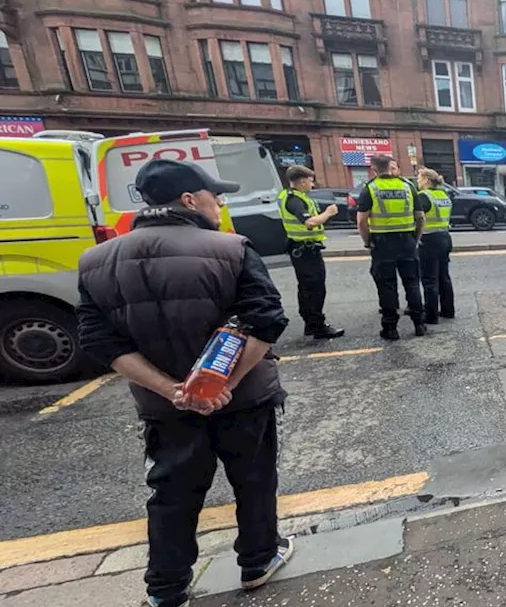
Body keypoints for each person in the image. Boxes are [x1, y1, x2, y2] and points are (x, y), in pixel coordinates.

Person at [75, 159, 293, 607]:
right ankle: (258, 561)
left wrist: (171, 390)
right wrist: (224, 383)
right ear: (190, 200)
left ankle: (167, 589)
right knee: (253, 479)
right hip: (244, 398)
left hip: (164, 407)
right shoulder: (231, 248)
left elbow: (99, 339)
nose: (220, 204)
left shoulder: (96, 260)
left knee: (171, 492)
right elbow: (266, 320)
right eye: (216, 196)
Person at [356, 153, 426, 340]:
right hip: (407, 242)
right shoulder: (408, 186)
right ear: (390, 166)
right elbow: (420, 217)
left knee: (387, 286)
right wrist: (416, 238)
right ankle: (419, 324)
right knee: (412, 283)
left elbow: (362, 221)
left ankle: (391, 328)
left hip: (383, 243)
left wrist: (367, 241)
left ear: (374, 169)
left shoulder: (370, 189)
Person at [278, 165, 344, 339]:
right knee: (314, 289)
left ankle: (311, 323)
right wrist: (328, 213)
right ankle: (317, 326)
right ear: (302, 181)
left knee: (307, 288)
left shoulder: (290, 195)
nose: (312, 184)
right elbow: (310, 222)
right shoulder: (295, 200)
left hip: (303, 248)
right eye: (310, 180)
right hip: (304, 250)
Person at [417, 168, 456, 323]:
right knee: (443, 276)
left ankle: (431, 315)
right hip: (445, 237)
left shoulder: (424, 197)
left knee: (429, 279)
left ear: (427, 180)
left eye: (419, 178)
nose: (418, 181)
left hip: (429, 239)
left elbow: (419, 218)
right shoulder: (443, 195)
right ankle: (448, 310)